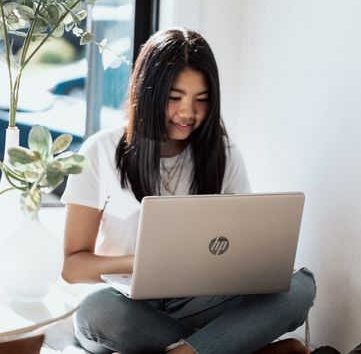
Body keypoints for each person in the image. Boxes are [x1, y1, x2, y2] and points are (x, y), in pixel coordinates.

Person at [61, 28, 316, 354]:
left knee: (299, 286)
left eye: (202, 100)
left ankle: (190, 351)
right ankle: (229, 347)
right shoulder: (100, 151)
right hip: (128, 306)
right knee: (98, 310)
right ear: (150, 93)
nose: (188, 113)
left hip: (198, 304)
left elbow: (239, 249)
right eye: (175, 97)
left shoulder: (224, 155)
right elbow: (73, 266)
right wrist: (144, 263)